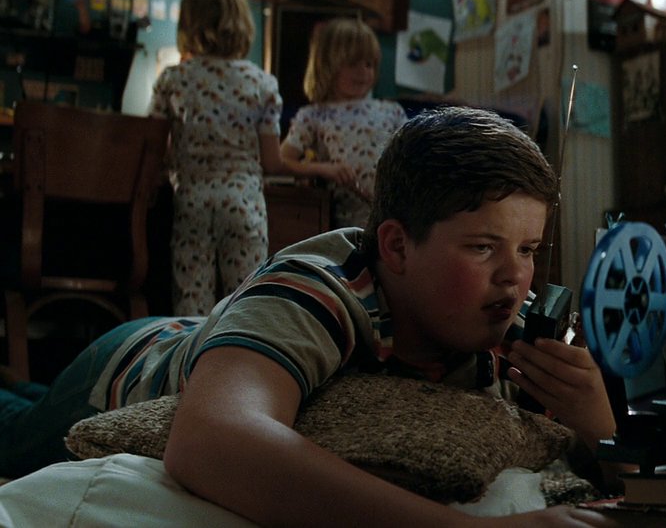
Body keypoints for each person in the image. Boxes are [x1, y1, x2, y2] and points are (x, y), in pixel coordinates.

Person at [0, 106, 617, 526]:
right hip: (128, 363)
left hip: (217, 336)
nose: (515, 277)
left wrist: (596, 420)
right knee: (16, 426)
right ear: (397, 247)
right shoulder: (322, 287)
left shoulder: (501, 323)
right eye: (483, 247)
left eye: (528, 250)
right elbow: (209, 441)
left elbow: (602, 472)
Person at [147, 0, 289, 316]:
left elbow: (152, 149)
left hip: (192, 201)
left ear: (188, 25)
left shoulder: (173, 79)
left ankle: (192, 350)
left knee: (191, 303)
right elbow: (272, 162)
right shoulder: (262, 83)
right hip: (243, 202)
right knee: (245, 304)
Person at [282, 17, 408, 229]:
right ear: (327, 66)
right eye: (353, 63)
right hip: (346, 225)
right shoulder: (314, 115)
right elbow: (281, 161)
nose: (363, 72)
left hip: (394, 219)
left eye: (369, 64)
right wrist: (323, 169)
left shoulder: (391, 110)